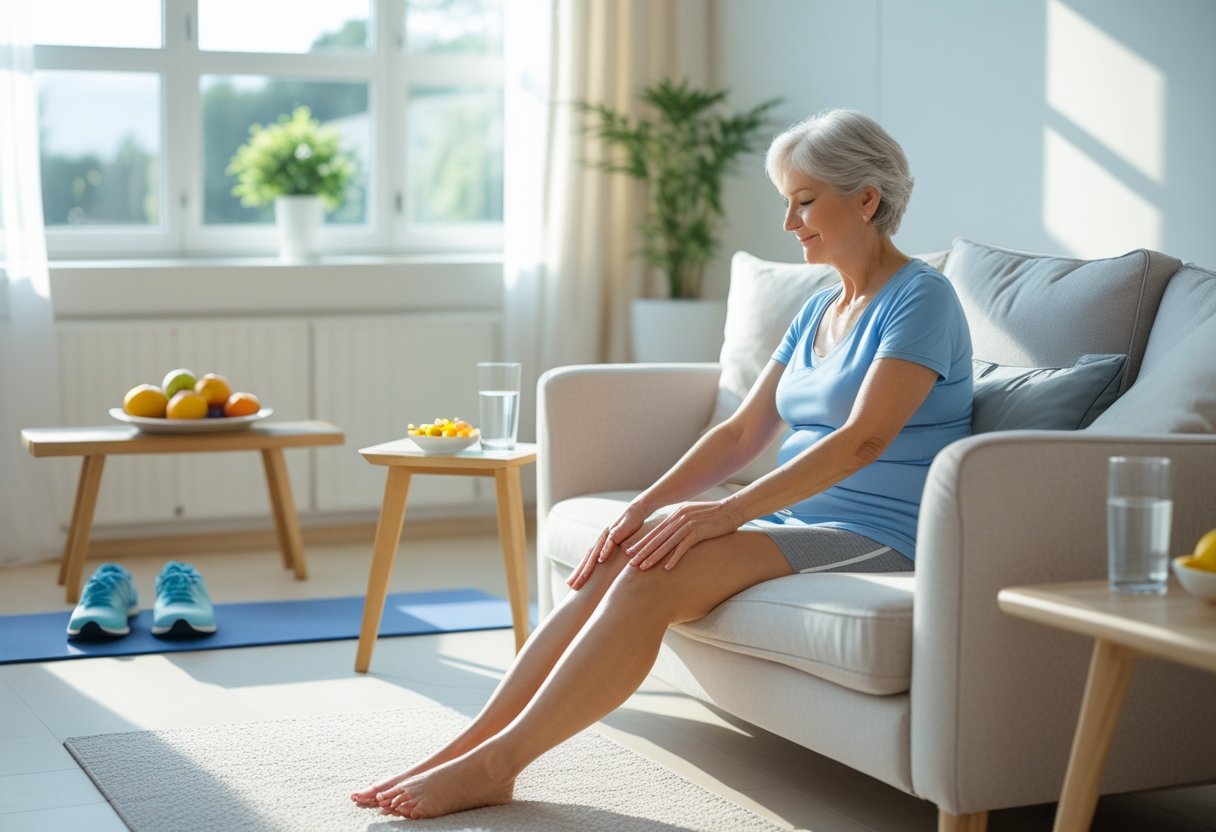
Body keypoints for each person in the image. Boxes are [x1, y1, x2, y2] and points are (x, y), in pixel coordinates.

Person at [351, 108, 973, 820]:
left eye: (805, 201)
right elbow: (741, 434)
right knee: (623, 553)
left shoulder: (921, 298)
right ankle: (467, 747)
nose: (789, 222)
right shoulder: (819, 309)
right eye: (787, 202)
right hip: (807, 520)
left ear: (867, 199)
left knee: (655, 573)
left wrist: (727, 511)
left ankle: (497, 766)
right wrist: (640, 508)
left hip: (881, 535)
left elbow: (865, 439)